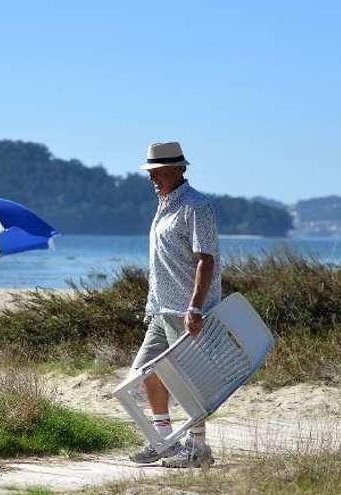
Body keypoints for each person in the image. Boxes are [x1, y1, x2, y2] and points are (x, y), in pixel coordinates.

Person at [129, 141, 221, 468]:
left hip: (186, 312)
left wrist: (195, 308)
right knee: (144, 372)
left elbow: (205, 260)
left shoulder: (195, 206)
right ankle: (163, 441)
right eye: (151, 173)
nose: (153, 179)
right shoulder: (165, 203)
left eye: (159, 173)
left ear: (179, 170)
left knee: (186, 381)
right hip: (161, 309)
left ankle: (198, 449)